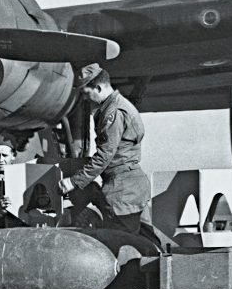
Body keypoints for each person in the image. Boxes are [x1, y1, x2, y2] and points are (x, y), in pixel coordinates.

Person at [59, 64, 160, 247]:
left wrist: (73, 182)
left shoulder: (113, 112)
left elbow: (104, 156)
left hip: (122, 189)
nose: (85, 98)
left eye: (86, 93)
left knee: (121, 245)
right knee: (148, 243)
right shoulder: (120, 105)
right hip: (134, 184)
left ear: (98, 88)